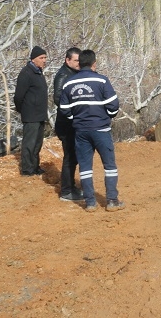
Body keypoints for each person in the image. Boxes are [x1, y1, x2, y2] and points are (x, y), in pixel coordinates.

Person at [59, 49, 124, 212]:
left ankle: (90, 202)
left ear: (79, 63)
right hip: (101, 129)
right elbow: (113, 105)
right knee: (109, 165)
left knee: (85, 167)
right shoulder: (102, 81)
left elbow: (64, 109)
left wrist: (77, 119)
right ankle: (111, 200)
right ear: (94, 64)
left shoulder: (68, 83)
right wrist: (106, 116)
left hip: (81, 131)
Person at [14, 46, 49, 176]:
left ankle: (35, 166)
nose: (44, 60)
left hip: (40, 114)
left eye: (45, 58)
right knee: (29, 143)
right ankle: (27, 169)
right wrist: (22, 110)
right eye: (41, 58)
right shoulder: (26, 73)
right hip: (30, 115)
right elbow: (18, 96)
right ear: (33, 59)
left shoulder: (39, 73)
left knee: (37, 143)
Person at [53, 47, 82, 201]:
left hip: (72, 121)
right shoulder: (63, 75)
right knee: (70, 156)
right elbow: (58, 98)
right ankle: (66, 191)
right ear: (68, 60)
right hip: (66, 122)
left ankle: (71, 186)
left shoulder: (73, 73)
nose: (79, 63)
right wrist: (74, 109)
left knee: (74, 156)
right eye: (76, 60)